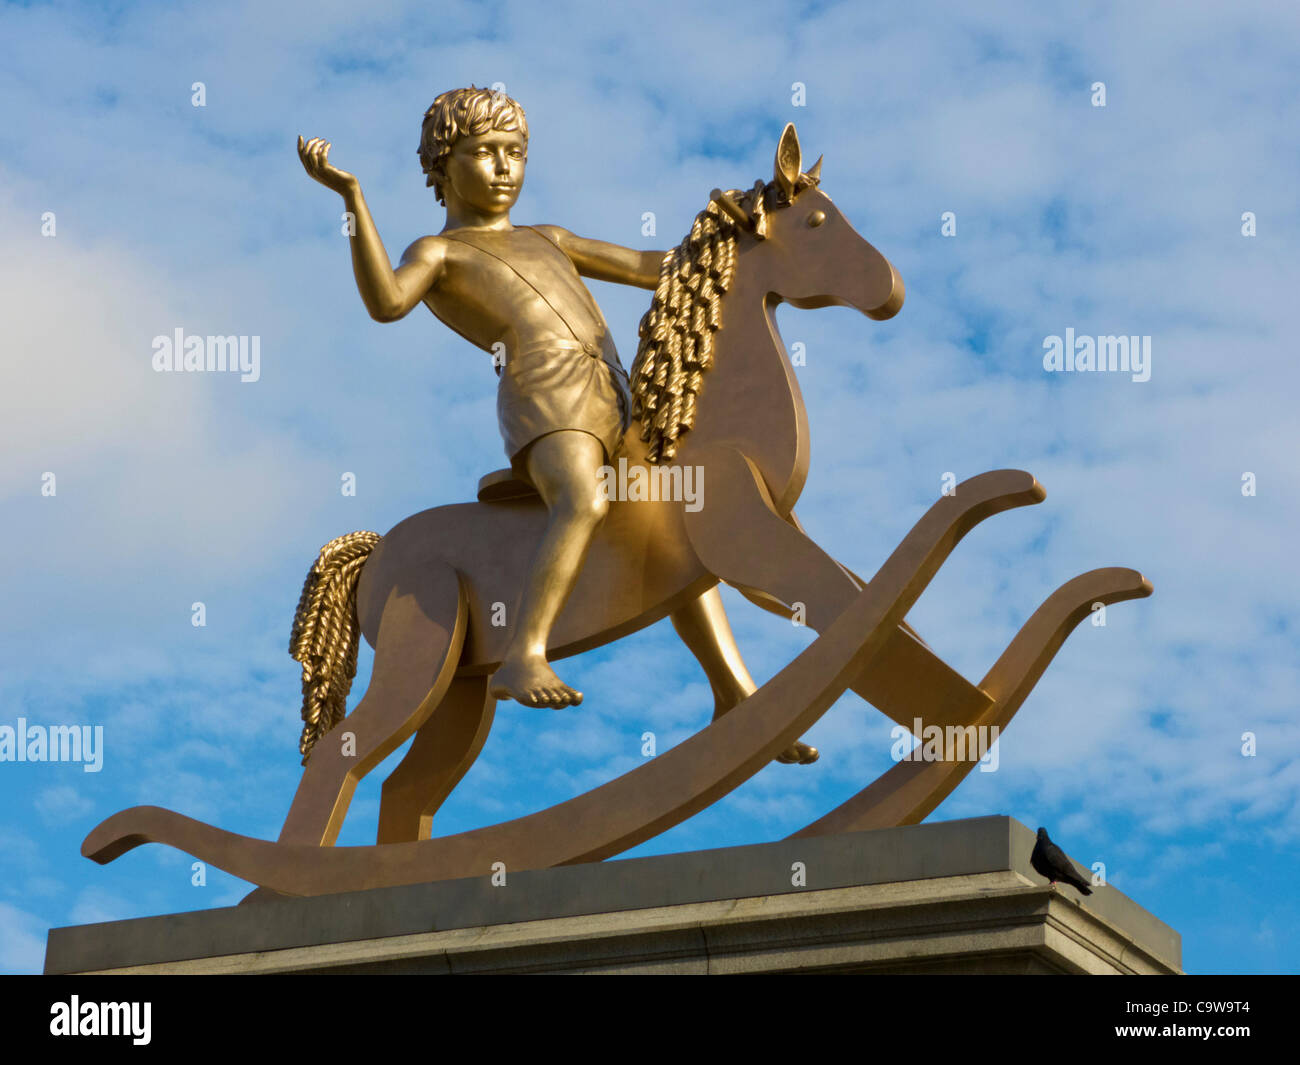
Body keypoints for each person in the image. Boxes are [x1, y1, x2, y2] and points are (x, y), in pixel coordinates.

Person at [297, 86, 817, 762]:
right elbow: (387, 301)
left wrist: (745, 226)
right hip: (544, 394)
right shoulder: (438, 252)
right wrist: (352, 199)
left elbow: (649, 267)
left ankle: (731, 689)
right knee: (582, 499)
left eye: (515, 152)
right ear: (441, 165)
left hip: (613, 390)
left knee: (681, 519)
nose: (504, 167)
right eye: (484, 153)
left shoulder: (551, 238)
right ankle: (524, 653)